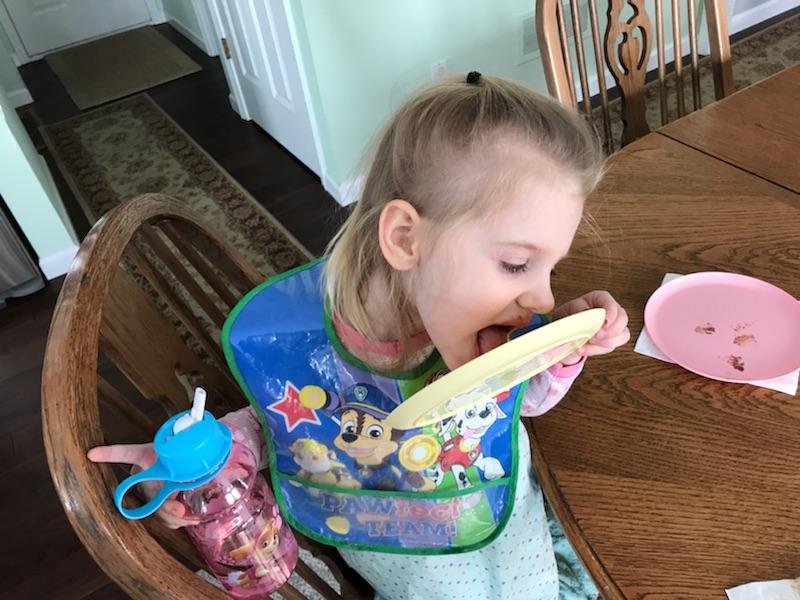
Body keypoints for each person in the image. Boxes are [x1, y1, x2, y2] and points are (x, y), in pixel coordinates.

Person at [89, 72, 629, 600]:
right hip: (394, 541)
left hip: (498, 510)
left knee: (531, 586)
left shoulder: (491, 317)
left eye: (551, 267)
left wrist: (559, 351)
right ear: (406, 239)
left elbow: (521, 403)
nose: (543, 298)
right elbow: (282, 416)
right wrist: (201, 464)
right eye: (516, 263)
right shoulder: (305, 342)